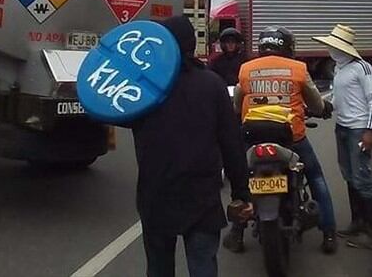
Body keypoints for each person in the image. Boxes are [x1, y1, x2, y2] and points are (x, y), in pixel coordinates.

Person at [131, 15, 253, 277]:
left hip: (156, 196)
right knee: (203, 266)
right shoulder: (212, 84)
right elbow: (231, 143)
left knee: (159, 268)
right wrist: (240, 193)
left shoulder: (144, 86)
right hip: (201, 198)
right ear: (191, 44)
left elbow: (112, 111)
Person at [224, 26, 338, 254]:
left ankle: (237, 230)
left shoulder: (246, 69)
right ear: (287, 46)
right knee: (315, 177)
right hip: (291, 138)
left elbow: (237, 105)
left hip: (253, 137)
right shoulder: (298, 68)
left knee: (241, 181)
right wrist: (324, 108)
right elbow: (316, 104)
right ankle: (329, 232)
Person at [313, 24, 372, 250]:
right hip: (342, 128)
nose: (331, 50)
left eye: (334, 46)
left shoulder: (361, 67)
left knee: (362, 177)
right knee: (349, 175)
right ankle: (358, 222)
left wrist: (370, 131)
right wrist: (323, 107)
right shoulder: (339, 69)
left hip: (358, 130)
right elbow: (339, 97)